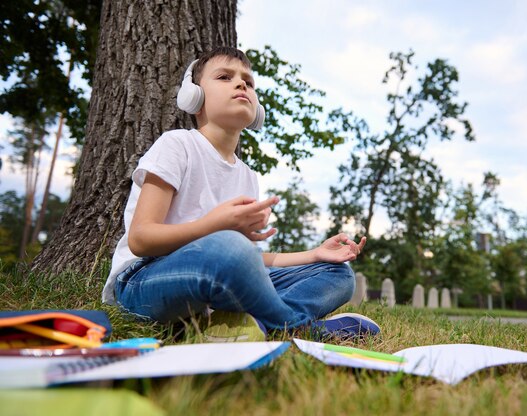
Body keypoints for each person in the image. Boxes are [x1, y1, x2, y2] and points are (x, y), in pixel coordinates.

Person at [101, 47, 379, 341]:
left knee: (339, 275)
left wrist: (312, 255)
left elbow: (248, 260)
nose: (241, 84)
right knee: (230, 248)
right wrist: (214, 226)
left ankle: (236, 323)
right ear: (194, 97)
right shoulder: (177, 145)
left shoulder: (247, 176)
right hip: (143, 281)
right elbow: (141, 239)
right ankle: (297, 328)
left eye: (248, 81)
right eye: (224, 77)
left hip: (219, 275)